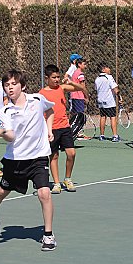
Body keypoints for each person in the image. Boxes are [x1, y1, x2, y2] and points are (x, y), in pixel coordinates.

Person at [0, 69, 57, 251]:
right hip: (15, 159)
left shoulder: (37, 100)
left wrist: (49, 130)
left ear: (22, 86)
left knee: (44, 193)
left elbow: (51, 109)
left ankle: (48, 235)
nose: (10, 88)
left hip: (38, 157)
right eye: (6, 85)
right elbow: (11, 136)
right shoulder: (6, 111)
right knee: (2, 191)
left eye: (13, 84)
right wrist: (2, 133)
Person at [39, 64, 86, 194]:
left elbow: (81, 88)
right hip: (51, 129)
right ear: (47, 78)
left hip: (65, 127)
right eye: (54, 77)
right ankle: (56, 183)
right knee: (54, 156)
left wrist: (71, 82)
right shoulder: (41, 93)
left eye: (58, 77)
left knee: (72, 153)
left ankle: (67, 179)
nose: (56, 80)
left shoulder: (62, 88)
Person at [94, 62, 120, 141]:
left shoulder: (97, 79)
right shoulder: (109, 77)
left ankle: (101, 135)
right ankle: (115, 136)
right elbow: (116, 90)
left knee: (102, 117)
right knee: (113, 117)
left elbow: (96, 89)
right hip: (109, 102)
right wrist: (120, 98)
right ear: (103, 69)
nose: (109, 69)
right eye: (108, 67)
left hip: (101, 102)